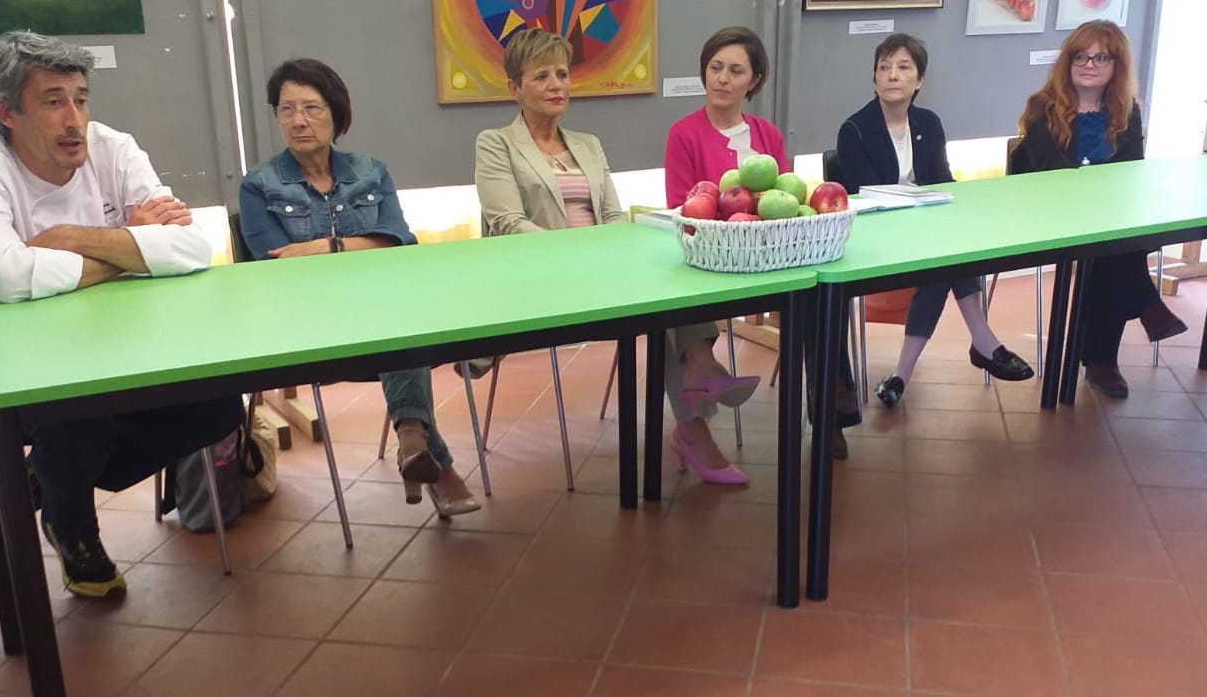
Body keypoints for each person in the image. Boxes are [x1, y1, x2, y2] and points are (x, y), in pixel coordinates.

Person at [0, 31, 244, 598]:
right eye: (53, 101)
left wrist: (68, 238)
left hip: (122, 343)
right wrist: (130, 245)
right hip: (13, 361)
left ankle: (44, 476)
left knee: (218, 404)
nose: (74, 119)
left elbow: (191, 248)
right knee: (79, 415)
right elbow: (7, 276)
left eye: (81, 98)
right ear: (7, 112)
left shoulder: (113, 147)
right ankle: (71, 525)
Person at [474, 27, 756, 485]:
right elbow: (507, 223)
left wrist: (609, 254)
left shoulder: (587, 144)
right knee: (661, 303)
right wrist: (581, 254)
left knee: (672, 281)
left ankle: (696, 398)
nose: (556, 85)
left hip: (603, 271)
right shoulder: (495, 143)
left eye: (562, 74)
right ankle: (700, 383)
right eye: (541, 76)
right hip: (536, 277)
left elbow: (611, 216)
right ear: (514, 88)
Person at [239, 58, 480, 518]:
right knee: (402, 321)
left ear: (336, 113)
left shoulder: (370, 171)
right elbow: (275, 265)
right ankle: (424, 447)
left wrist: (325, 247)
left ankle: (416, 440)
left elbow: (400, 241)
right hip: (309, 319)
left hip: (380, 307)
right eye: (286, 110)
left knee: (397, 315)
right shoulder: (259, 185)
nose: (298, 120)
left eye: (311, 108)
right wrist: (364, 246)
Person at [666, 25, 855, 462]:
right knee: (672, 294)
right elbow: (680, 206)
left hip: (773, 257)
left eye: (735, 71)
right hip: (713, 259)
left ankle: (829, 410)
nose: (722, 79)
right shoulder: (683, 133)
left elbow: (785, 200)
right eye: (715, 67)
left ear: (754, 80)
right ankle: (701, 376)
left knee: (826, 292)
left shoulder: (766, 134)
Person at [837, 33, 1035, 408]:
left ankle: (901, 377)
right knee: (947, 260)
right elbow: (867, 194)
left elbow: (942, 180)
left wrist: (968, 203)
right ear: (874, 78)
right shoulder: (855, 130)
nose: (892, 75)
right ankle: (983, 341)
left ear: (920, 80)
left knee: (944, 262)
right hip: (878, 237)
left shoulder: (928, 122)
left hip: (927, 235)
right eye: (884, 67)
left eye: (903, 67)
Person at [1011, 20, 1186, 397]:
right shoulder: (1044, 109)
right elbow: (1054, 174)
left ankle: (1099, 354)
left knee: (1116, 244)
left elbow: (1130, 170)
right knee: (1118, 246)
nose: (1089, 65)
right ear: (1068, 62)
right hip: (1049, 212)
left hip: (1106, 216)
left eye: (1101, 57)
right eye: (1081, 56)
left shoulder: (1126, 110)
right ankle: (1122, 334)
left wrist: (1107, 200)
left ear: (1116, 66)